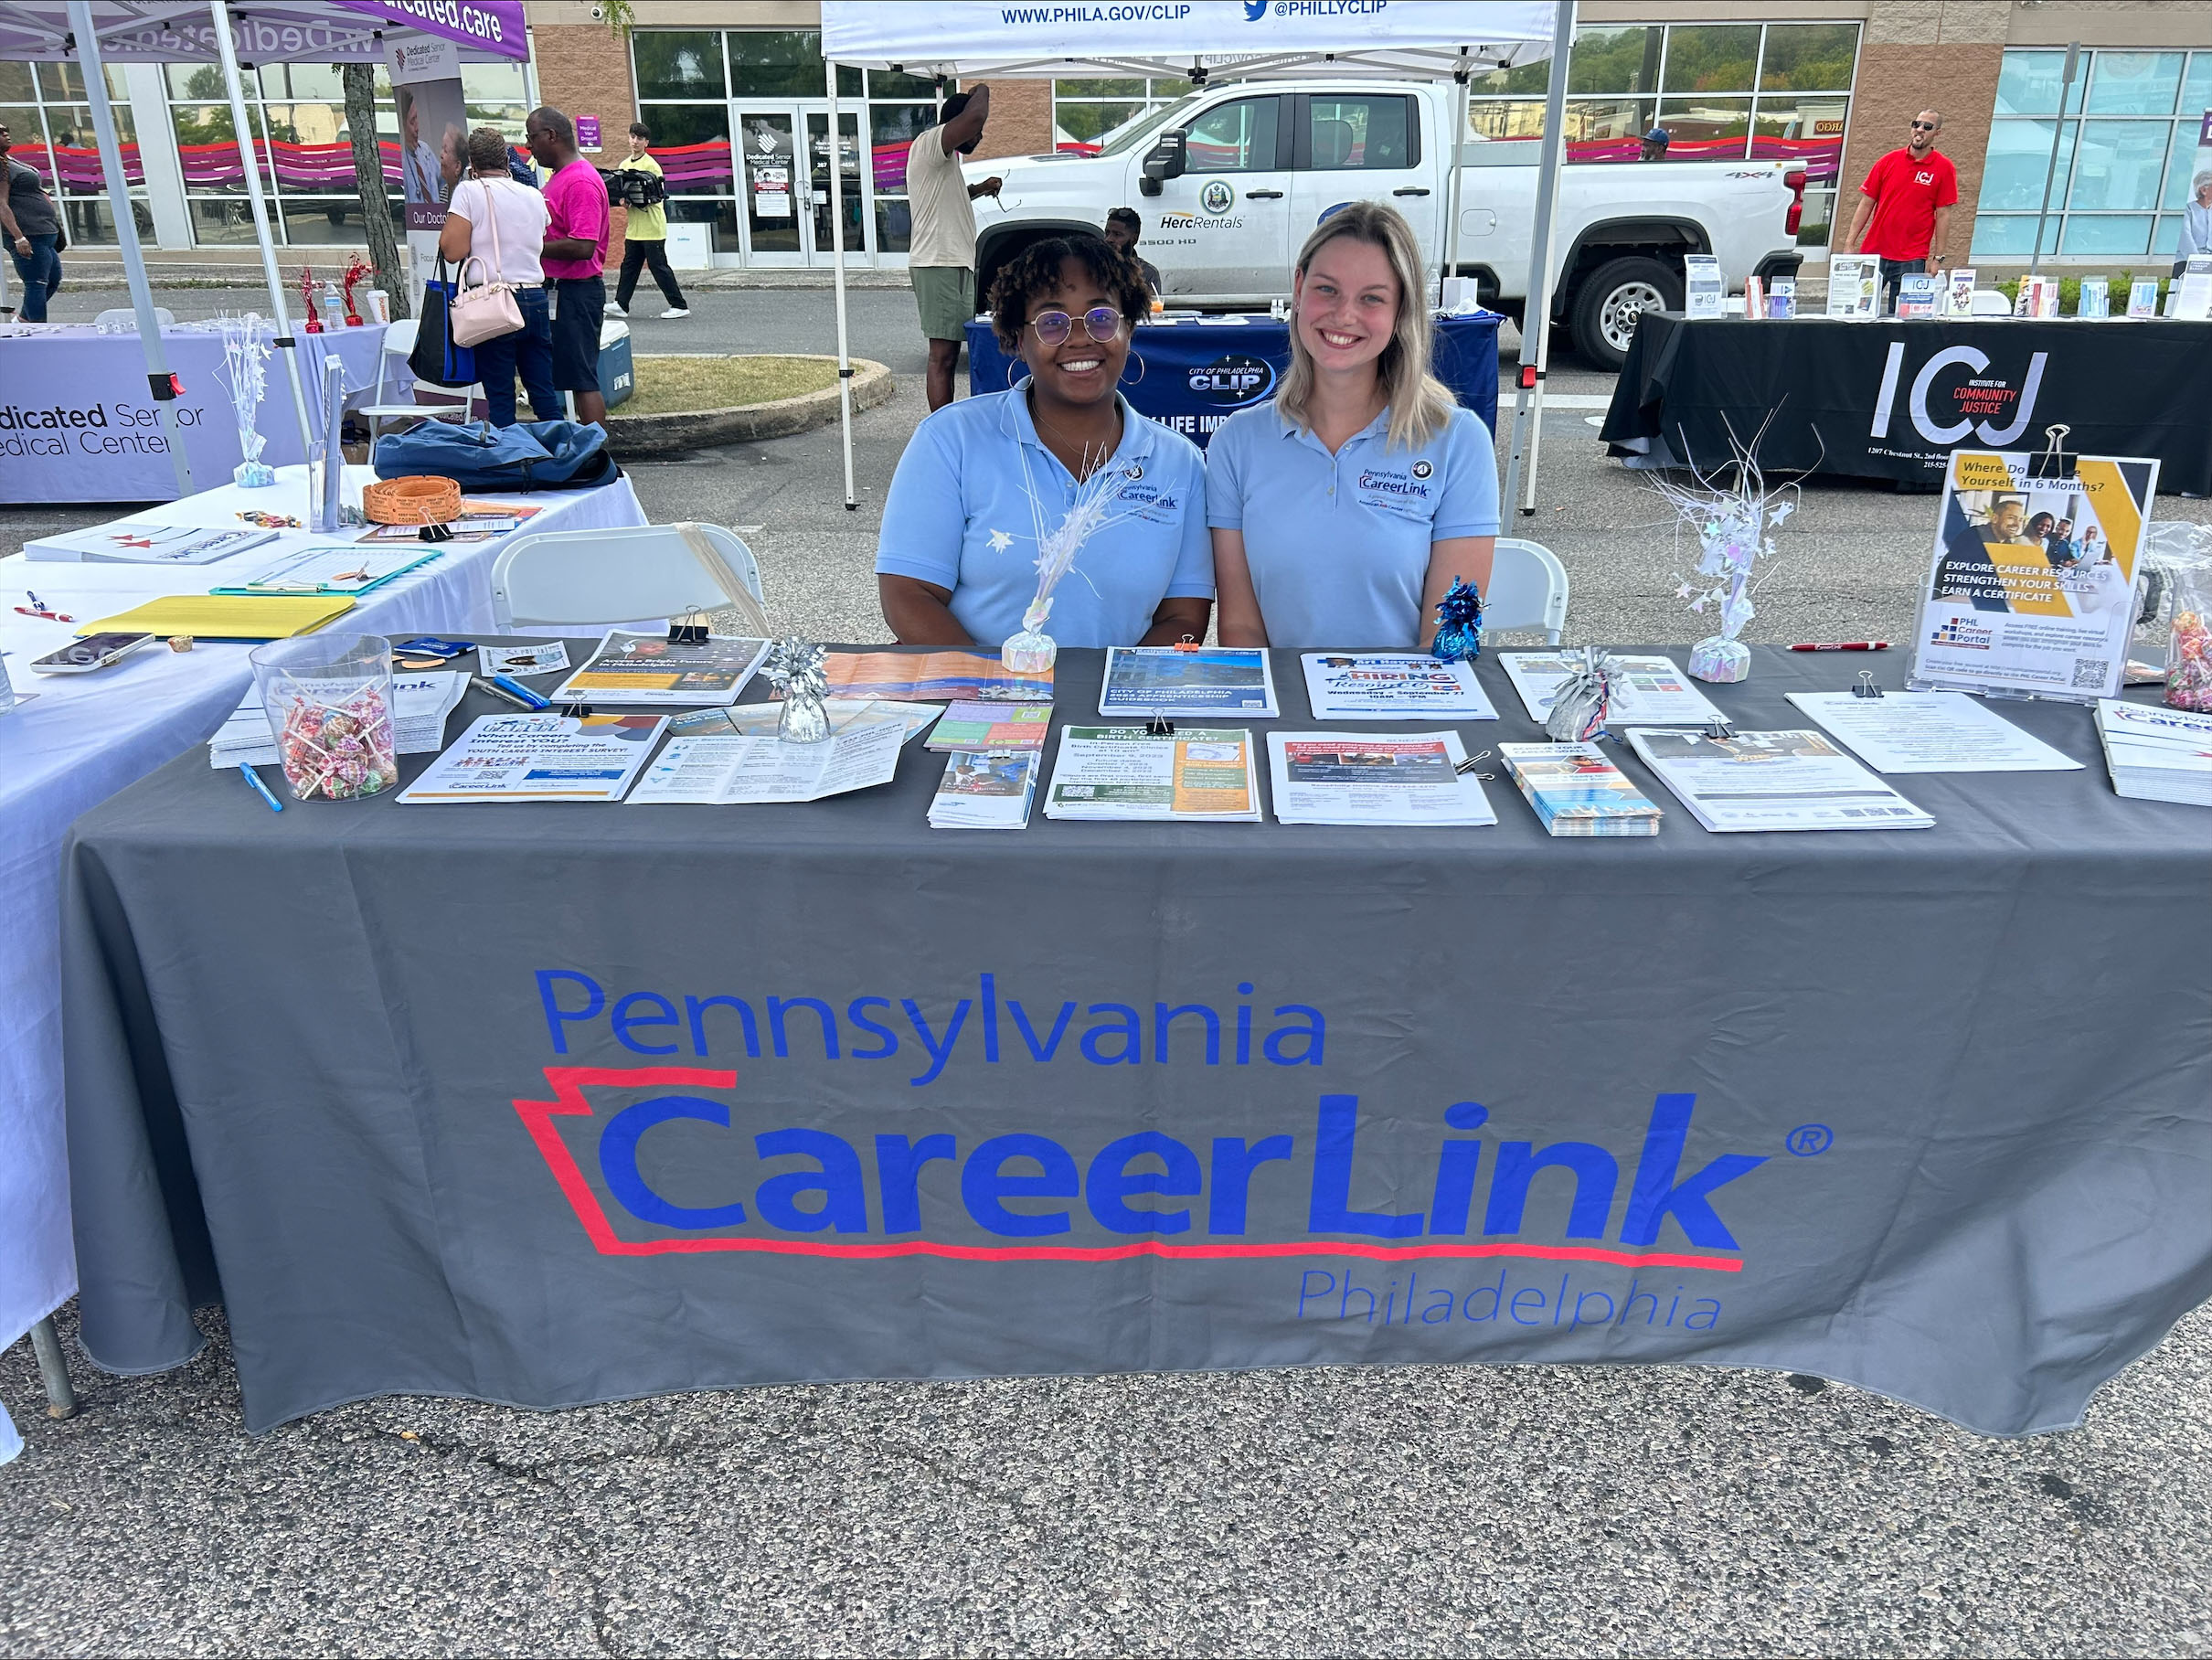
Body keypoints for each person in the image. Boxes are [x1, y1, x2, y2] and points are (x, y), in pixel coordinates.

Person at [876, 232, 1211, 648]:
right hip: (976, 700)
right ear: (1018, 339)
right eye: (1052, 322)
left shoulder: (1180, 463)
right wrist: (997, 691)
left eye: (1101, 318)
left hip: (1109, 707)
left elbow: (1183, 617)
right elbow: (909, 595)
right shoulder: (951, 440)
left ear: (1130, 330)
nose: (1079, 338)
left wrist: (1108, 700)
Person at [1207, 201, 1498, 652]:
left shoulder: (1458, 441)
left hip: (1409, 710)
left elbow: (1449, 635)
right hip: (1285, 714)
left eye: (1372, 298)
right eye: (1328, 289)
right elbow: (1242, 633)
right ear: (1299, 288)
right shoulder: (1237, 443)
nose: (1344, 315)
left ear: (1401, 310)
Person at [439, 126, 559, 427]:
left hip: (495, 299)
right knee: (544, 393)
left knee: (501, 396)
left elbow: (452, 250)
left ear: (473, 165)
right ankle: (565, 457)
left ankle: (510, 465)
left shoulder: (470, 191)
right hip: (535, 296)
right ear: (507, 161)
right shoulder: (533, 195)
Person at [908, 85, 1005, 411]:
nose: (979, 136)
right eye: (976, 131)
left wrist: (979, 189)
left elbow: (947, 198)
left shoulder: (944, 162)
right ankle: (941, 430)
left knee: (951, 354)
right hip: (939, 262)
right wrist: (981, 88)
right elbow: (975, 113)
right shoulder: (930, 143)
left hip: (953, 263)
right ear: (956, 123)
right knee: (943, 356)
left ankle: (946, 422)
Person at [526, 105, 611, 427]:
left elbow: (583, 245)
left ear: (551, 135)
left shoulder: (580, 182)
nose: (529, 146)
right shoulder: (562, 178)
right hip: (557, 291)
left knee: (582, 378)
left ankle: (596, 455)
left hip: (576, 292)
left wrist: (530, 248)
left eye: (531, 137)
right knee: (565, 375)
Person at [1840, 109, 1957, 314]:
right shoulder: (1888, 161)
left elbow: (1944, 215)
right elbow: (1866, 203)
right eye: (1916, 124)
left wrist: (1938, 258)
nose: (1920, 130)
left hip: (1911, 258)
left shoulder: (1944, 168)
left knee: (1902, 318)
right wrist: (1850, 243)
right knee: (1858, 313)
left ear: (1937, 132)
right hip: (1874, 253)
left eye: (1927, 127)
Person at [609, 122, 688, 320]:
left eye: (640, 139)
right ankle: (621, 304)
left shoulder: (652, 166)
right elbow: (623, 195)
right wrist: (623, 201)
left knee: (658, 266)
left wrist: (636, 199)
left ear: (646, 142)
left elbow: (655, 196)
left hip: (652, 227)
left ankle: (678, 305)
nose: (635, 142)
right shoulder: (624, 165)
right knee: (629, 266)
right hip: (634, 229)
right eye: (632, 137)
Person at [0, 120, 63, 323]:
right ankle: (37, 332)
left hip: (45, 233)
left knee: (52, 280)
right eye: (0, 132)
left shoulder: (8, 161)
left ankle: (23, 320)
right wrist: (19, 238)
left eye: (6, 130)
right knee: (36, 283)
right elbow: (1, 204)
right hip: (29, 235)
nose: (6, 134)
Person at [1102, 208, 1162, 297]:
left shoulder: (1147, 273)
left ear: (1134, 238)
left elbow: (1152, 307)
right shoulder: (1094, 269)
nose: (1109, 239)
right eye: (1107, 233)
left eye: (1117, 234)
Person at [398, 89, 441, 208]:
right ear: (401, 126)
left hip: (434, 221)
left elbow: (444, 181)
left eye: (416, 118)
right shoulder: (399, 160)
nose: (417, 128)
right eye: (412, 121)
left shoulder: (424, 150)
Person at [2175, 171, 2212, 275]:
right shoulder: (2188, 209)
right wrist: (2198, 263)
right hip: (2187, 260)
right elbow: (2185, 238)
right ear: (2204, 190)